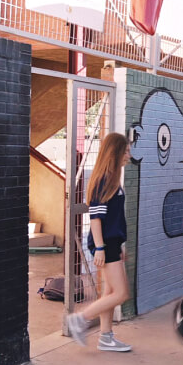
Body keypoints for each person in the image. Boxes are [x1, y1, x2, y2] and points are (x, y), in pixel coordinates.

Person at [65, 132, 133, 351]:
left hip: (112, 243)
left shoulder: (112, 180)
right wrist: (101, 248)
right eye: (126, 151)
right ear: (115, 153)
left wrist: (119, 245)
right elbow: (95, 219)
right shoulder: (104, 181)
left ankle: (106, 338)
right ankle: (79, 319)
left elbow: (113, 219)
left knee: (109, 292)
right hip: (106, 245)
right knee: (121, 294)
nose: (129, 156)